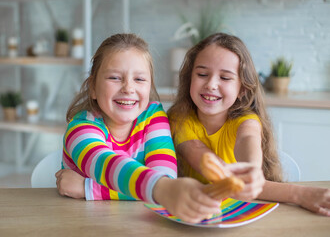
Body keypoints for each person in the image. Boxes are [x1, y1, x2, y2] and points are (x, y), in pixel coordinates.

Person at [55, 33, 236, 223]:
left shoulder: (153, 116)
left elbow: (165, 177)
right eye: (115, 77)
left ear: (149, 87)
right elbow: (107, 165)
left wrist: (88, 189)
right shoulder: (80, 128)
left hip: (138, 224)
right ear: (92, 86)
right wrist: (162, 190)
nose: (128, 88)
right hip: (82, 223)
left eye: (139, 80)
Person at [167, 32, 330, 216]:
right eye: (202, 74)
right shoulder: (179, 119)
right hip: (190, 215)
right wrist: (299, 194)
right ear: (190, 78)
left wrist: (252, 169)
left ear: (242, 89)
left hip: (234, 214)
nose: (211, 84)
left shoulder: (247, 122)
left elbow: (248, 139)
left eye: (225, 78)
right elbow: (198, 153)